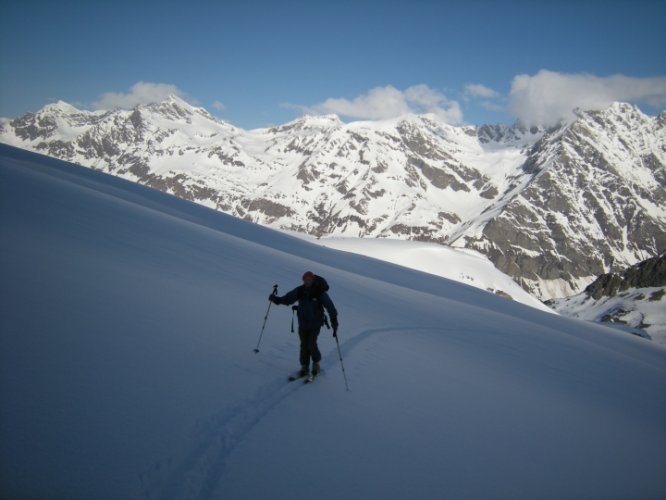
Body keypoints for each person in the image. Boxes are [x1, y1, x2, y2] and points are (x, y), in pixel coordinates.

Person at [269, 271, 338, 377]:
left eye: (309, 279)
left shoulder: (319, 292)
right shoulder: (300, 290)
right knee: (304, 345)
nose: (307, 281)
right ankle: (304, 366)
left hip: (315, 323)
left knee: (311, 344)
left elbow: (330, 306)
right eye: (305, 280)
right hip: (303, 323)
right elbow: (288, 299)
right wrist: (277, 300)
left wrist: (333, 319)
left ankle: (316, 363)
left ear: (313, 280)